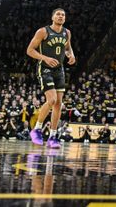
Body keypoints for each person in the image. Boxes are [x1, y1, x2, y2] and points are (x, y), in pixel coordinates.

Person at [26, 8, 76, 149]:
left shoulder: (67, 32)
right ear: (52, 17)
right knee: (52, 100)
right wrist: (45, 58)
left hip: (59, 70)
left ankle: (53, 136)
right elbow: (29, 50)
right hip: (45, 69)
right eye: (58, 14)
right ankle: (37, 129)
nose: (61, 16)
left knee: (58, 104)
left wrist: (71, 55)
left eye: (63, 15)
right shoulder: (43, 31)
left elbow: (67, 48)